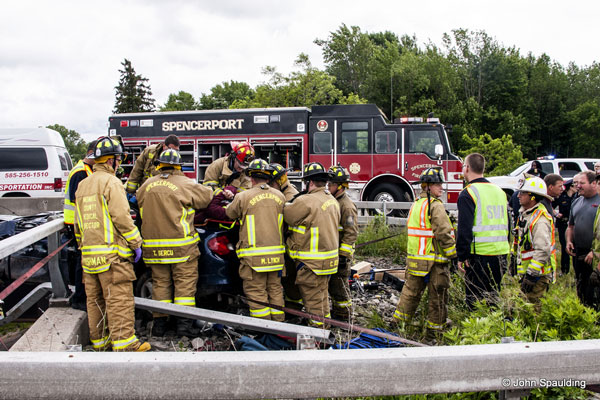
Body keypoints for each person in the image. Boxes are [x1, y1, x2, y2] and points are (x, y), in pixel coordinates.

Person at [74, 137, 149, 352]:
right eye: (118, 160)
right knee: (118, 300)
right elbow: (122, 217)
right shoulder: (112, 182)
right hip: (112, 257)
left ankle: (100, 343)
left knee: (95, 301)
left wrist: (83, 246)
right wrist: (136, 243)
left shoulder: (83, 185)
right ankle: (125, 345)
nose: (119, 165)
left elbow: (78, 224)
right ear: (111, 161)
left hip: (89, 257)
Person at [137, 149, 213, 337]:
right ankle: (183, 328)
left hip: (154, 250)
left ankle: (160, 326)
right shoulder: (185, 183)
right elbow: (207, 198)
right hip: (182, 249)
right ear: (179, 166)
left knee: (160, 285)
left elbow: (138, 200)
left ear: (159, 164)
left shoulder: (147, 184)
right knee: (184, 287)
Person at [393, 168, 456, 342]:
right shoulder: (435, 205)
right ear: (427, 186)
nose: (441, 187)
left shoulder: (417, 204)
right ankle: (433, 334)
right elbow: (443, 233)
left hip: (415, 260)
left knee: (410, 295)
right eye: (437, 184)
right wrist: (453, 254)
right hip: (434, 261)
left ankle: (398, 327)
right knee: (438, 297)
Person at [225, 159, 286, 321]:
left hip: (254, 260)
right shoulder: (280, 196)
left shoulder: (243, 196)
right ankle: (280, 327)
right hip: (276, 257)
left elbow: (229, 214)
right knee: (275, 290)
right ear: (268, 177)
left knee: (256, 293)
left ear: (251, 178)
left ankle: (264, 329)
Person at [284, 162, 340, 327]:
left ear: (310, 182)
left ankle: (319, 336)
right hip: (328, 261)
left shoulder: (306, 200)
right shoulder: (332, 200)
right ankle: (326, 327)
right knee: (321, 299)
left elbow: (287, 215)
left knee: (313, 303)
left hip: (311, 263)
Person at [457, 153, 510, 309]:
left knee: (475, 300)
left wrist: (462, 255)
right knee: (493, 297)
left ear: (467, 168)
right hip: (501, 253)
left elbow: (464, 228)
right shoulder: (499, 191)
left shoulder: (469, 193)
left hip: (480, 255)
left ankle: (477, 331)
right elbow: (507, 222)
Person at [64, 140, 96, 311]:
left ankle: (82, 296)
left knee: (81, 260)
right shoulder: (80, 172)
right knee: (80, 260)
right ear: (91, 153)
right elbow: (79, 200)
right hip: (76, 222)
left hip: (79, 221)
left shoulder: (87, 170)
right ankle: (78, 298)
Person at [515, 177, 555, 312]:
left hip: (537, 278)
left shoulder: (540, 220)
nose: (518, 195)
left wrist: (531, 275)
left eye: (523, 193)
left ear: (532, 197)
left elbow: (543, 250)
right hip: (528, 275)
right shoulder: (526, 214)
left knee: (533, 312)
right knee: (524, 310)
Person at [268, 163, 302, 312]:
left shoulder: (290, 197)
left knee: (290, 279)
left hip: (290, 245)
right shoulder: (284, 193)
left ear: (279, 181)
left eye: (271, 182)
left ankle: (294, 308)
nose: (269, 185)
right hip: (286, 244)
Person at [326, 165, 358, 319]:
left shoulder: (346, 206)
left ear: (340, 186)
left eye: (331, 184)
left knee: (339, 287)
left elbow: (351, 233)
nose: (328, 187)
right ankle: (338, 313)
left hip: (341, 257)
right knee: (332, 286)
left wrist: (343, 256)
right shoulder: (333, 201)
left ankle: (345, 316)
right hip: (333, 253)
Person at [566, 171, 600, 307]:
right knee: (580, 283)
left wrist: (595, 252)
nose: (578, 186)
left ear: (593, 183)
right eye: (576, 183)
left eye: (582, 183)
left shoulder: (598, 202)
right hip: (578, 252)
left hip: (594, 254)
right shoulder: (576, 202)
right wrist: (568, 241)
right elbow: (571, 226)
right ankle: (582, 311)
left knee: (593, 287)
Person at [555, 179, 575, 275]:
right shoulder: (562, 196)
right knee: (564, 247)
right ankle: (564, 269)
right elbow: (550, 205)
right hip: (563, 224)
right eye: (575, 185)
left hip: (573, 225)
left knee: (574, 246)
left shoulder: (577, 197)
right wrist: (556, 214)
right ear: (570, 187)